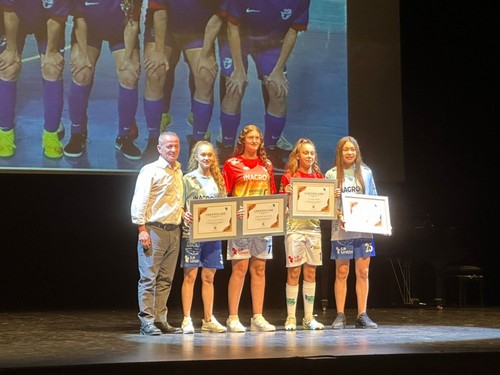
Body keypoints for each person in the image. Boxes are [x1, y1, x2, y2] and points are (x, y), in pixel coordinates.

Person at [215, 0, 311, 171]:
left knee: (278, 90)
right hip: (237, 38)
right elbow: (232, 27)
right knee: (234, 87)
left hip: (271, 42)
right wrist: (238, 69)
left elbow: (292, 31)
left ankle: (270, 149)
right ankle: (227, 146)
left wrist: (278, 69)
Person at [142, 0, 223, 162]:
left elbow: (219, 14)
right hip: (165, 27)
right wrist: (158, 50)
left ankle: (198, 140)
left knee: (205, 74)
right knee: (155, 71)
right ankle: (153, 139)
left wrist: (206, 54)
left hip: (198, 27)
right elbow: (159, 10)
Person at [63, 0, 142, 160]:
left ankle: (125, 135)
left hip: (121, 31)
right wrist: (83, 55)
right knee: (81, 71)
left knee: (129, 74)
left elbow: (132, 21)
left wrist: (127, 59)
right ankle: (78, 132)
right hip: (89, 30)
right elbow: (80, 19)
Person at [222, 124, 277, 332]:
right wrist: (232, 212)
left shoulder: (267, 165)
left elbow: (272, 195)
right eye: (250, 138)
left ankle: (257, 317)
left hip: (263, 225)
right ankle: (233, 317)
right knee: (240, 268)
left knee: (260, 269)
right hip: (240, 225)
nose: (254, 141)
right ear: (243, 140)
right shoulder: (232, 164)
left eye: (257, 138)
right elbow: (224, 194)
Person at [130, 131, 185, 335]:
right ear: (159, 148)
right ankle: (147, 321)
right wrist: (141, 229)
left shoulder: (178, 170)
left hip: (174, 231)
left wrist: (182, 213)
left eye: (176, 146)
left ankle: (161, 319)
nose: (173, 149)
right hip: (153, 230)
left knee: (166, 279)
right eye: (168, 146)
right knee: (148, 278)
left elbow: (173, 201)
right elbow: (140, 201)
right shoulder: (150, 170)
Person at [0, 0, 69, 158]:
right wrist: (11, 49)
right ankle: (5, 132)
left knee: (52, 68)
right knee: (8, 67)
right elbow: (9, 10)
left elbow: (56, 15)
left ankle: (51, 134)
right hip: (14, 16)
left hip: (48, 19)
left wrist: (51, 52)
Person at [325, 136, 378, 329]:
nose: (349, 153)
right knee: (342, 272)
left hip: (363, 231)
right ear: (340, 153)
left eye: (352, 150)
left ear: (357, 152)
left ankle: (362, 314)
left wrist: (382, 223)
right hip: (341, 231)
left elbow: (374, 201)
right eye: (346, 149)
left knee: (363, 272)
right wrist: (335, 204)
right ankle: (340, 315)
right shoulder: (331, 174)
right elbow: (326, 205)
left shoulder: (366, 172)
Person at [180, 140, 227, 334]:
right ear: (196, 157)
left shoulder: (219, 179)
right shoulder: (187, 179)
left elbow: (226, 207)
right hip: (192, 234)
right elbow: (179, 206)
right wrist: (185, 215)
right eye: (203, 155)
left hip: (214, 235)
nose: (206, 158)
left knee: (209, 277)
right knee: (190, 276)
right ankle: (186, 319)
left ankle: (208, 319)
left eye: (209, 155)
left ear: (213, 157)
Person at [279, 138, 324, 331]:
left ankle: (307, 318)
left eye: (312, 153)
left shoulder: (320, 178)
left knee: (311, 272)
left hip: (313, 230)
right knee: (294, 272)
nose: (309, 156)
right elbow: (282, 207)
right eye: (305, 153)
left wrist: (334, 197)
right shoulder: (289, 177)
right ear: (297, 155)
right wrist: (287, 195)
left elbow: (327, 207)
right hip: (294, 229)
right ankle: (291, 318)